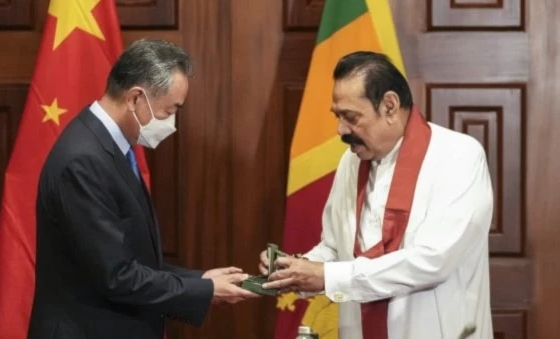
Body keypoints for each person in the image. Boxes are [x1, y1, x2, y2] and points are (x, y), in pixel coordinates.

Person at [28, 38, 258, 339]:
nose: (172, 123)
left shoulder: (106, 147)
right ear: (136, 98)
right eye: (168, 111)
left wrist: (200, 279)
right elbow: (116, 276)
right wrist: (204, 289)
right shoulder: (84, 160)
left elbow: (131, 259)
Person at [260, 51, 494, 339]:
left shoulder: (458, 156)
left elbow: (433, 262)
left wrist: (328, 276)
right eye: (338, 116)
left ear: (390, 106)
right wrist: (294, 267)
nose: (340, 130)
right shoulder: (352, 161)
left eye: (351, 117)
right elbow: (335, 247)